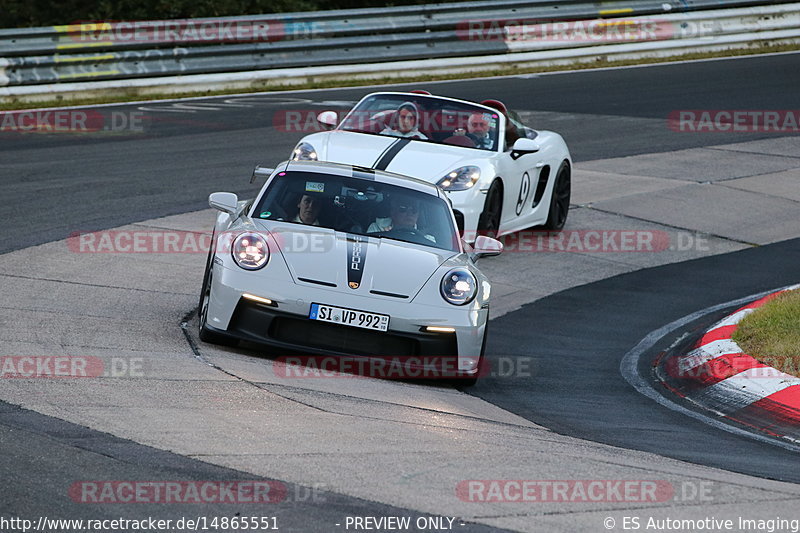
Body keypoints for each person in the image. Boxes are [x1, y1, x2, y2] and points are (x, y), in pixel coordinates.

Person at [367, 194, 435, 243]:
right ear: (392, 212)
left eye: (414, 209)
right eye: (403, 209)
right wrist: (387, 236)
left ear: (418, 214)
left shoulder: (428, 240)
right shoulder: (376, 229)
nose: (409, 213)